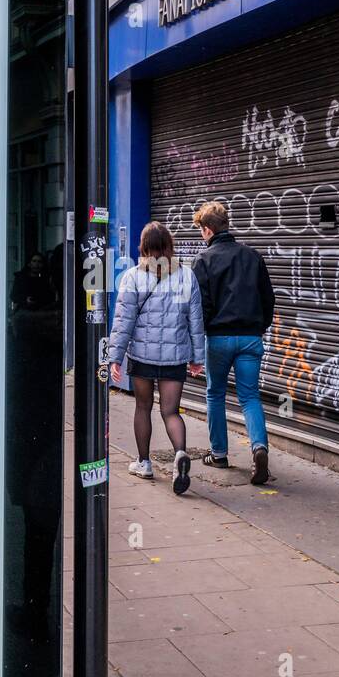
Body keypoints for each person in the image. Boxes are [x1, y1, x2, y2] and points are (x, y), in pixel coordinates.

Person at [107, 222, 206, 495]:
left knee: (143, 407)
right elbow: (195, 321)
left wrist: (114, 357)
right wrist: (197, 357)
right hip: (175, 358)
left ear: (144, 246)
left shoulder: (133, 276)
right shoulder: (187, 276)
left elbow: (123, 321)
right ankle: (180, 455)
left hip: (142, 357)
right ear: (169, 246)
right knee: (171, 411)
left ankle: (144, 462)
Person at [191, 200, 275, 486]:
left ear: (208, 229)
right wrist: (258, 328)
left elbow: (200, 307)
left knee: (215, 394)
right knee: (250, 397)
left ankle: (219, 454)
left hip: (218, 339)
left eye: (201, 229)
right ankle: (259, 448)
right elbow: (268, 299)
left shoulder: (203, 261)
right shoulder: (252, 256)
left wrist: (197, 340)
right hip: (251, 338)